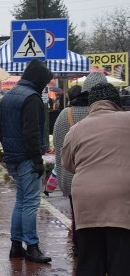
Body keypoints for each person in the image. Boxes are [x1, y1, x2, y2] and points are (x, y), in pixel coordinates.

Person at [60, 83, 130, 276]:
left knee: (90, 261)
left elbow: (67, 164)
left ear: (92, 106)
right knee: (122, 263)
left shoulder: (77, 129)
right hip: (122, 200)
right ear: (116, 102)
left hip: (86, 200)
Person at [0, 59, 53, 263]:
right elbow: (32, 133)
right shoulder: (31, 98)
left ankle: (16, 245)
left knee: (21, 201)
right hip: (27, 157)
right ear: (38, 80)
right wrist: (37, 160)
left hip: (13, 156)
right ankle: (32, 246)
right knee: (30, 202)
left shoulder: (8, 96)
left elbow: (1, 129)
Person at [53, 72, 109, 253]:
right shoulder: (112, 116)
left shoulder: (65, 115)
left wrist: (63, 179)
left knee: (79, 217)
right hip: (105, 178)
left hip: (75, 177)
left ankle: (81, 248)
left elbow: (60, 150)